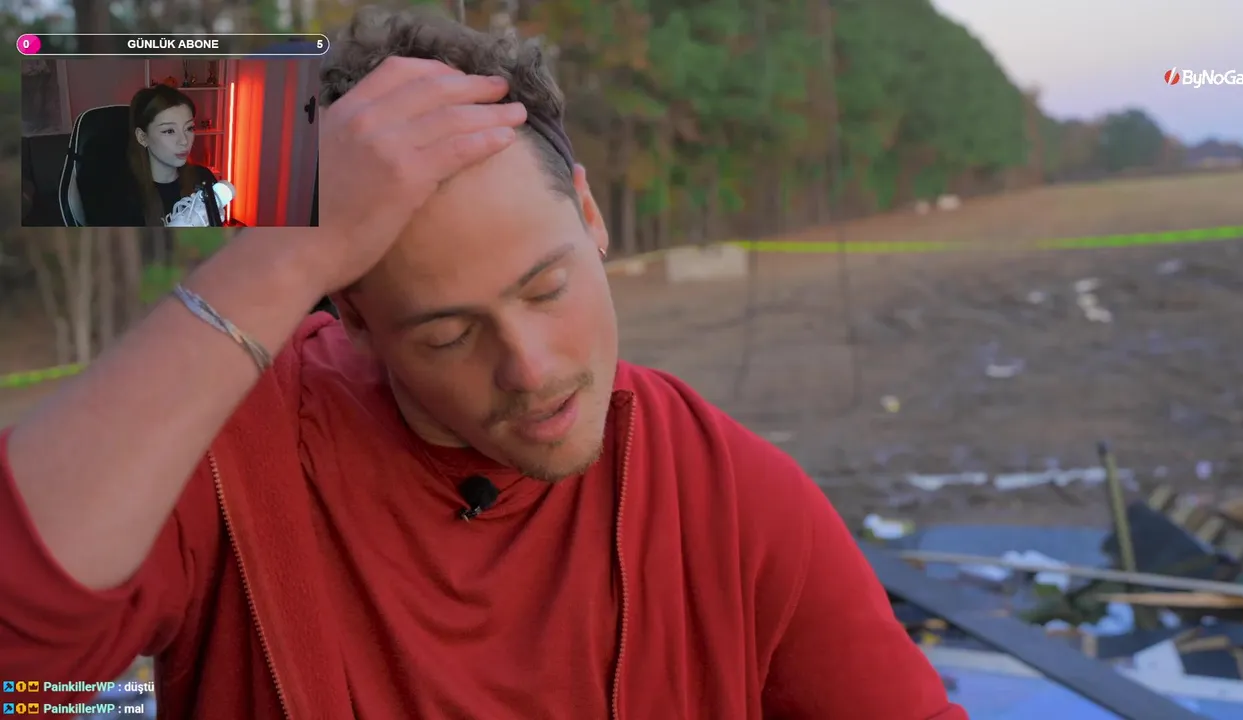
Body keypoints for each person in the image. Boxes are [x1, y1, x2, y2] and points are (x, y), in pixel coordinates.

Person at [0, 7, 966, 719]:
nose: (532, 370)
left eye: (547, 288)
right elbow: (22, 671)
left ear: (591, 215)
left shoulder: (723, 496)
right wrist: (283, 257)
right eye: (447, 335)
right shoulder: (232, 462)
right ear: (352, 320)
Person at [79, 84, 218, 226]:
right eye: (169, 131)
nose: (184, 141)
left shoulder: (203, 179)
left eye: (189, 128)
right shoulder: (119, 196)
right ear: (142, 137)